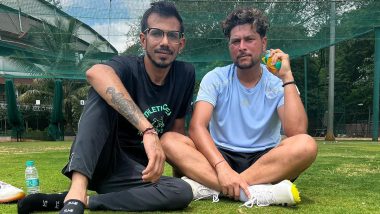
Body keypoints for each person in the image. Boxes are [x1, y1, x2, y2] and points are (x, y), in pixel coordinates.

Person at [17, 1, 194, 213]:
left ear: (181, 43)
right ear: (143, 39)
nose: (164, 42)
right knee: (104, 91)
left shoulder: (185, 74)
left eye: (172, 35)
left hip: (134, 173)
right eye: (156, 33)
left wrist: (179, 174)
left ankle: (81, 201)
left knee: (181, 191)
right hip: (99, 159)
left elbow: (177, 130)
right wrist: (148, 130)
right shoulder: (127, 67)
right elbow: (96, 73)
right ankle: (77, 190)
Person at [161, 7, 318, 207]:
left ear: (263, 43)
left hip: (266, 160)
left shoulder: (278, 81)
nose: (241, 46)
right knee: (169, 140)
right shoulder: (215, 78)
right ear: (230, 46)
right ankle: (255, 192)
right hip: (219, 157)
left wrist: (287, 77)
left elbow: (295, 132)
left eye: (249, 39)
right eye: (235, 41)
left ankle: (213, 188)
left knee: (306, 144)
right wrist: (222, 168)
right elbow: (197, 127)